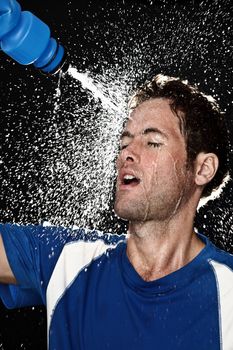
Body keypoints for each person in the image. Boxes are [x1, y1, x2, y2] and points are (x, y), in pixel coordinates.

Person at [0, 74, 232, 350]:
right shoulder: (66, 258)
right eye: (124, 144)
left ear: (202, 169)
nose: (126, 155)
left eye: (152, 142)